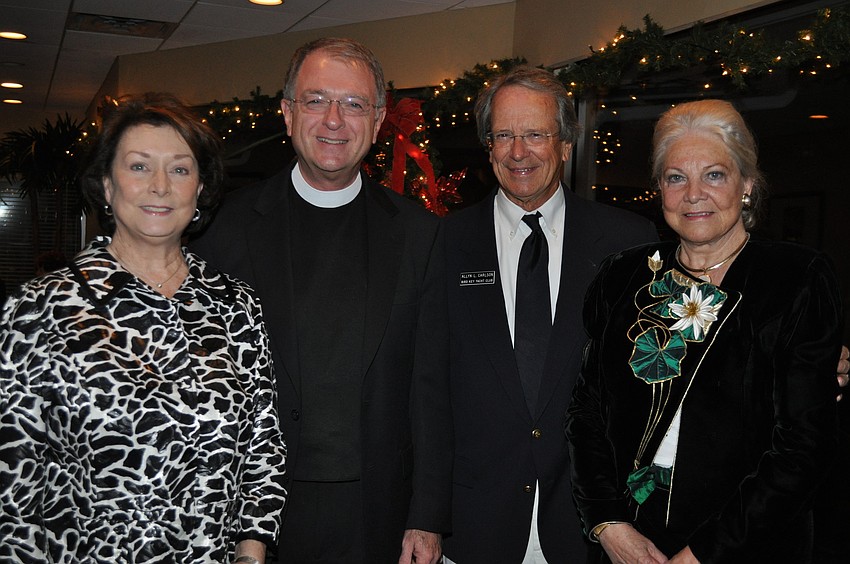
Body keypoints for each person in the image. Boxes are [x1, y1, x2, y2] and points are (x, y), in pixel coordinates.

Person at [189, 38, 451, 564]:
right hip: (251, 514)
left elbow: (433, 387)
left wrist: (427, 516)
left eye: (353, 104)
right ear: (287, 113)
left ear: (378, 121)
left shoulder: (421, 236)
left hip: (377, 511)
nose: (334, 120)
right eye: (315, 100)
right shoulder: (222, 229)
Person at [0, 92, 287, 563]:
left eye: (179, 169)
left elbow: (263, 443)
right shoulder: (39, 309)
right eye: (138, 166)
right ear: (107, 187)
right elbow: (13, 484)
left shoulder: (235, 304)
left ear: (200, 190)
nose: (160, 186)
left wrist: (252, 549)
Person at [566, 99, 844, 563]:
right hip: (628, 545)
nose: (694, 193)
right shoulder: (622, 276)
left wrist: (703, 554)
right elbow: (586, 412)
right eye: (676, 177)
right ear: (659, 189)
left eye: (714, 174)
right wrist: (609, 524)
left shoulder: (794, 279)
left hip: (746, 546)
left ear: (748, 186)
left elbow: (803, 448)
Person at [441, 66, 658, 563]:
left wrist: (796, 351)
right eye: (504, 136)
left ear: (565, 145)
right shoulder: (444, 243)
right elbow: (425, 389)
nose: (519, 152)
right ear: (488, 146)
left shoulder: (628, 243)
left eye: (536, 134)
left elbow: (672, 355)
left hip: (591, 529)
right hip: (472, 528)